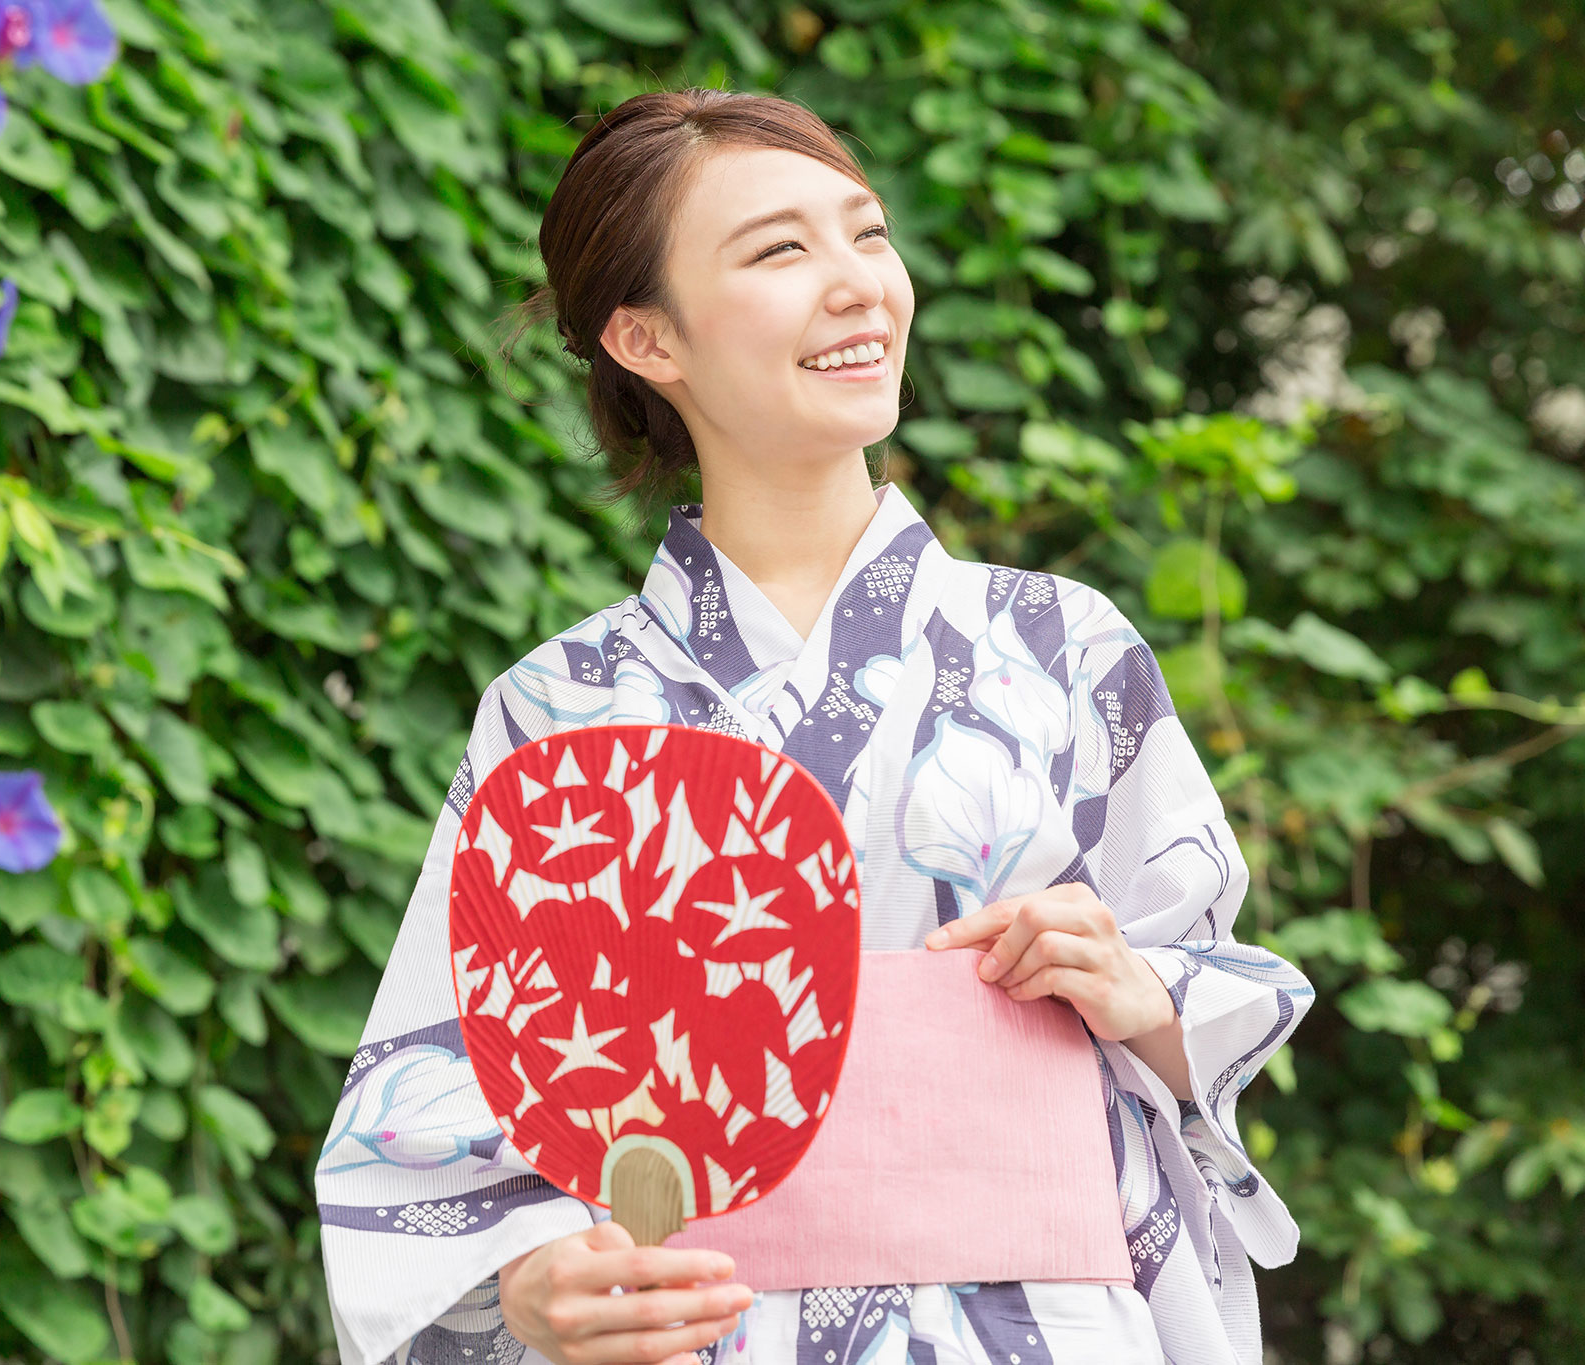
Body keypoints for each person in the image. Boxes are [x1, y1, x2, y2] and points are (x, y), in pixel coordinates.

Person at [315, 88, 1313, 1365]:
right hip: (701, 1329)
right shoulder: (557, 711)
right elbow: (430, 1096)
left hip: (1041, 1327)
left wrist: (1134, 989)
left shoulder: (1063, 646)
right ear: (643, 338)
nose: (856, 286)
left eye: (867, 235)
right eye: (780, 251)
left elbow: (1207, 1005)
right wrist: (522, 1279)